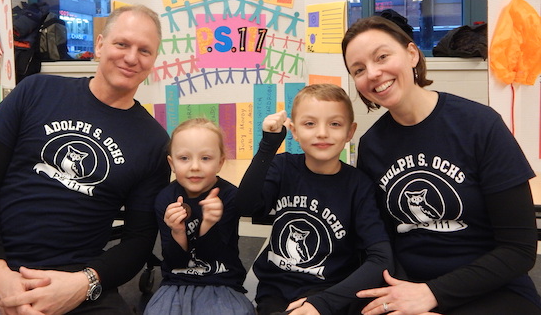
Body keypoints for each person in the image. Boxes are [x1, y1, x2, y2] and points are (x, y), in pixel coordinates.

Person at [0, 4, 171, 315]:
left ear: (153, 61)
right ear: (101, 44)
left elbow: (139, 240)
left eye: (145, 50)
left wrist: (83, 283)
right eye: (122, 44)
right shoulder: (35, 91)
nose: (131, 57)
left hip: (76, 278)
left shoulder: (154, 142)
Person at [341, 16, 541, 315]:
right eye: (358, 69)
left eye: (382, 56)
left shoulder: (480, 126)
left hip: (492, 289)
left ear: (411, 54)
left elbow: (519, 250)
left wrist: (434, 294)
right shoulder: (371, 147)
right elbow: (382, 242)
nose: (373, 73)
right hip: (407, 289)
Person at [236, 84, 393, 315]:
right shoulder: (283, 167)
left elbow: (381, 258)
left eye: (335, 124)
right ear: (294, 130)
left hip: (331, 293)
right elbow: (245, 206)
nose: (322, 133)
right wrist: (269, 144)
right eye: (310, 123)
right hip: (277, 292)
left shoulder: (359, 185)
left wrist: (323, 302)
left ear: (350, 132)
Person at [144, 118, 255, 315]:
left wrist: (209, 224)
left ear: (220, 162)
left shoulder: (229, 196)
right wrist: (177, 232)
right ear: (172, 163)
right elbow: (174, 262)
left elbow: (213, 256)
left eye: (205, 158)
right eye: (184, 158)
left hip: (222, 281)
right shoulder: (165, 199)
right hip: (176, 282)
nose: (195, 166)